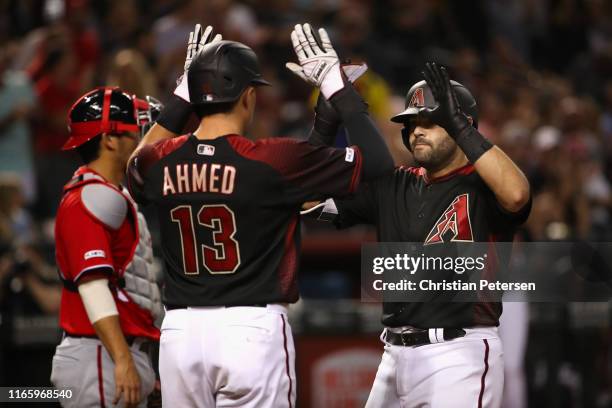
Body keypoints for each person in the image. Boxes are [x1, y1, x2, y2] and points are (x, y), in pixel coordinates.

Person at [126, 23, 394, 407]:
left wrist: (183, 95)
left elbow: (134, 167)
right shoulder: (272, 158)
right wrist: (337, 86)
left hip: (181, 333)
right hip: (250, 329)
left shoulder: (161, 158)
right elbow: (380, 164)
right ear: (248, 96)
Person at [308, 63, 531, 407]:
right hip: (394, 356)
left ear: (461, 125)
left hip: (459, 353)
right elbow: (306, 199)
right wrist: (324, 125)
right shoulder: (396, 184)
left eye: (429, 121)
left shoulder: (483, 184)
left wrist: (461, 128)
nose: (416, 131)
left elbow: (517, 194)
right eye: (411, 124)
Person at [51, 86, 163, 407]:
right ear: (110, 139)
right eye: (133, 131)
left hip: (113, 353)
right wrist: (123, 361)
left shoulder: (108, 192)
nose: (139, 139)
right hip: (100, 357)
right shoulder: (85, 199)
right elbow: (93, 287)